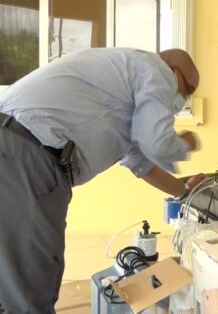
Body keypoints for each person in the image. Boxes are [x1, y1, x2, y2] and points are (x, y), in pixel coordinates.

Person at [0, 47, 207, 312]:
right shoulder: (157, 72)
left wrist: (183, 190)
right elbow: (156, 143)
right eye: (187, 91)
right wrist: (186, 144)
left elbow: (140, 162)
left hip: (13, 145)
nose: (183, 100)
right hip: (27, 156)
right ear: (175, 71)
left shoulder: (124, 78)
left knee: (9, 274)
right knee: (29, 281)